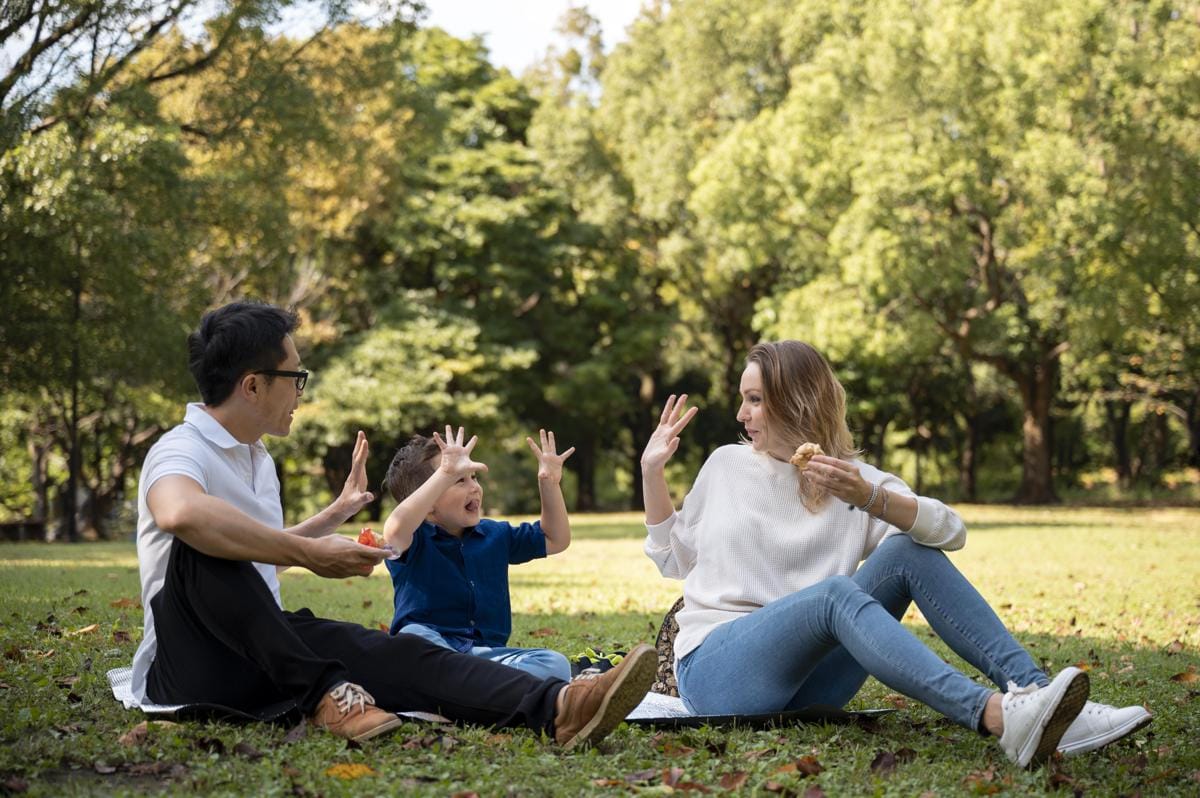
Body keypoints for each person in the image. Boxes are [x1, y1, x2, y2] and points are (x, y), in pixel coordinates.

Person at [131, 300, 655, 746]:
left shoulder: (257, 459)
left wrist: (333, 518)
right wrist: (310, 554)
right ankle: (323, 693)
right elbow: (182, 513)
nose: (300, 392)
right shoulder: (181, 449)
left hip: (267, 650)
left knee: (403, 653)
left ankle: (562, 706)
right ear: (252, 385)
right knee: (200, 544)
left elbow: (253, 567)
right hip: (190, 664)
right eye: (296, 378)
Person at [641, 340, 1151, 768]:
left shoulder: (851, 479)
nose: (741, 414)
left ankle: (1040, 698)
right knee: (834, 595)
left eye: (754, 400)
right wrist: (651, 473)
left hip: (813, 685)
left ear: (795, 402)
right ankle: (995, 716)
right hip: (719, 672)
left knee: (908, 549)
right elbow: (673, 560)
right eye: (743, 399)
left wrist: (871, 498)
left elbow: (951, 530)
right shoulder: (727, 466)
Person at [378, 427, 574, 681]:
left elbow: (555, 538)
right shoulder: (412, 540)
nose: (475, 488)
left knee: (555, 664)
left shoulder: (495, 534)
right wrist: (445, 474)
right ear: (427, 504)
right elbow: (393, 529)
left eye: (474, 477)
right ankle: (477, 687)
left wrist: (549, 484)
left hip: (486, 658)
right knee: (413, 636)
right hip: (432, 651)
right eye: (459, 480)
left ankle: (464, 688)